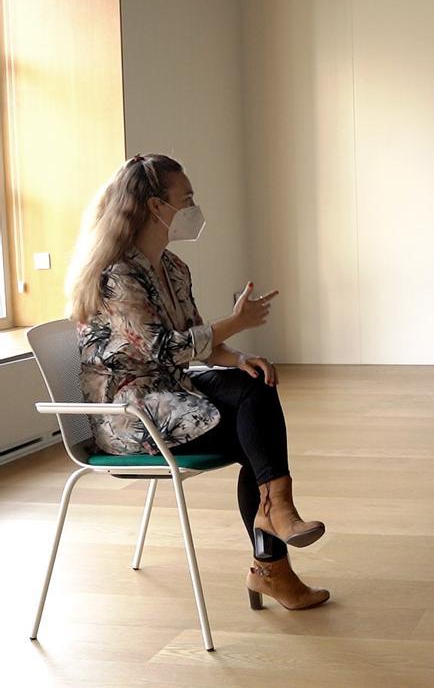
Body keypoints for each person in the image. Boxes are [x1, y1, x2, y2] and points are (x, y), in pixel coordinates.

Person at [68, 154, 329, 610]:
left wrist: (241, 356)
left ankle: (275, 523)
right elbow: (166, 348)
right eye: (185, 198)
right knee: (257, 437)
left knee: (256, 388)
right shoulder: (116, 275)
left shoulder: (173, 268)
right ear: (154, 207)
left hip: (173, 390)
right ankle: (274, 555)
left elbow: (197, 343)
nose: (194, 206)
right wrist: (236, 322)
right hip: (129, 412)